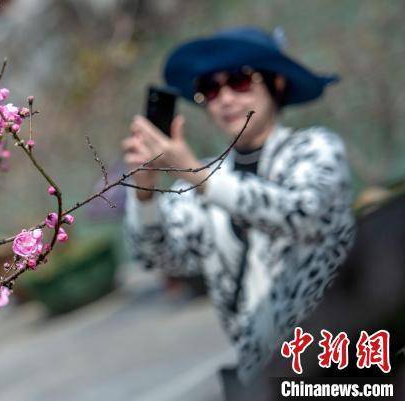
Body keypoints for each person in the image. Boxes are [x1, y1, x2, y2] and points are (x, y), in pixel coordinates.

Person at [122, 26, 356, 391]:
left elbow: (305, 213)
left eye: (240, 80)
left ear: (276, 83)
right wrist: (145, 192)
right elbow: (159, 258)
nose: (225, 98)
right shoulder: (195, 183)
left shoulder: (317, 149)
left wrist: (198, 176)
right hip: (263, 378)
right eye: (210, 88)